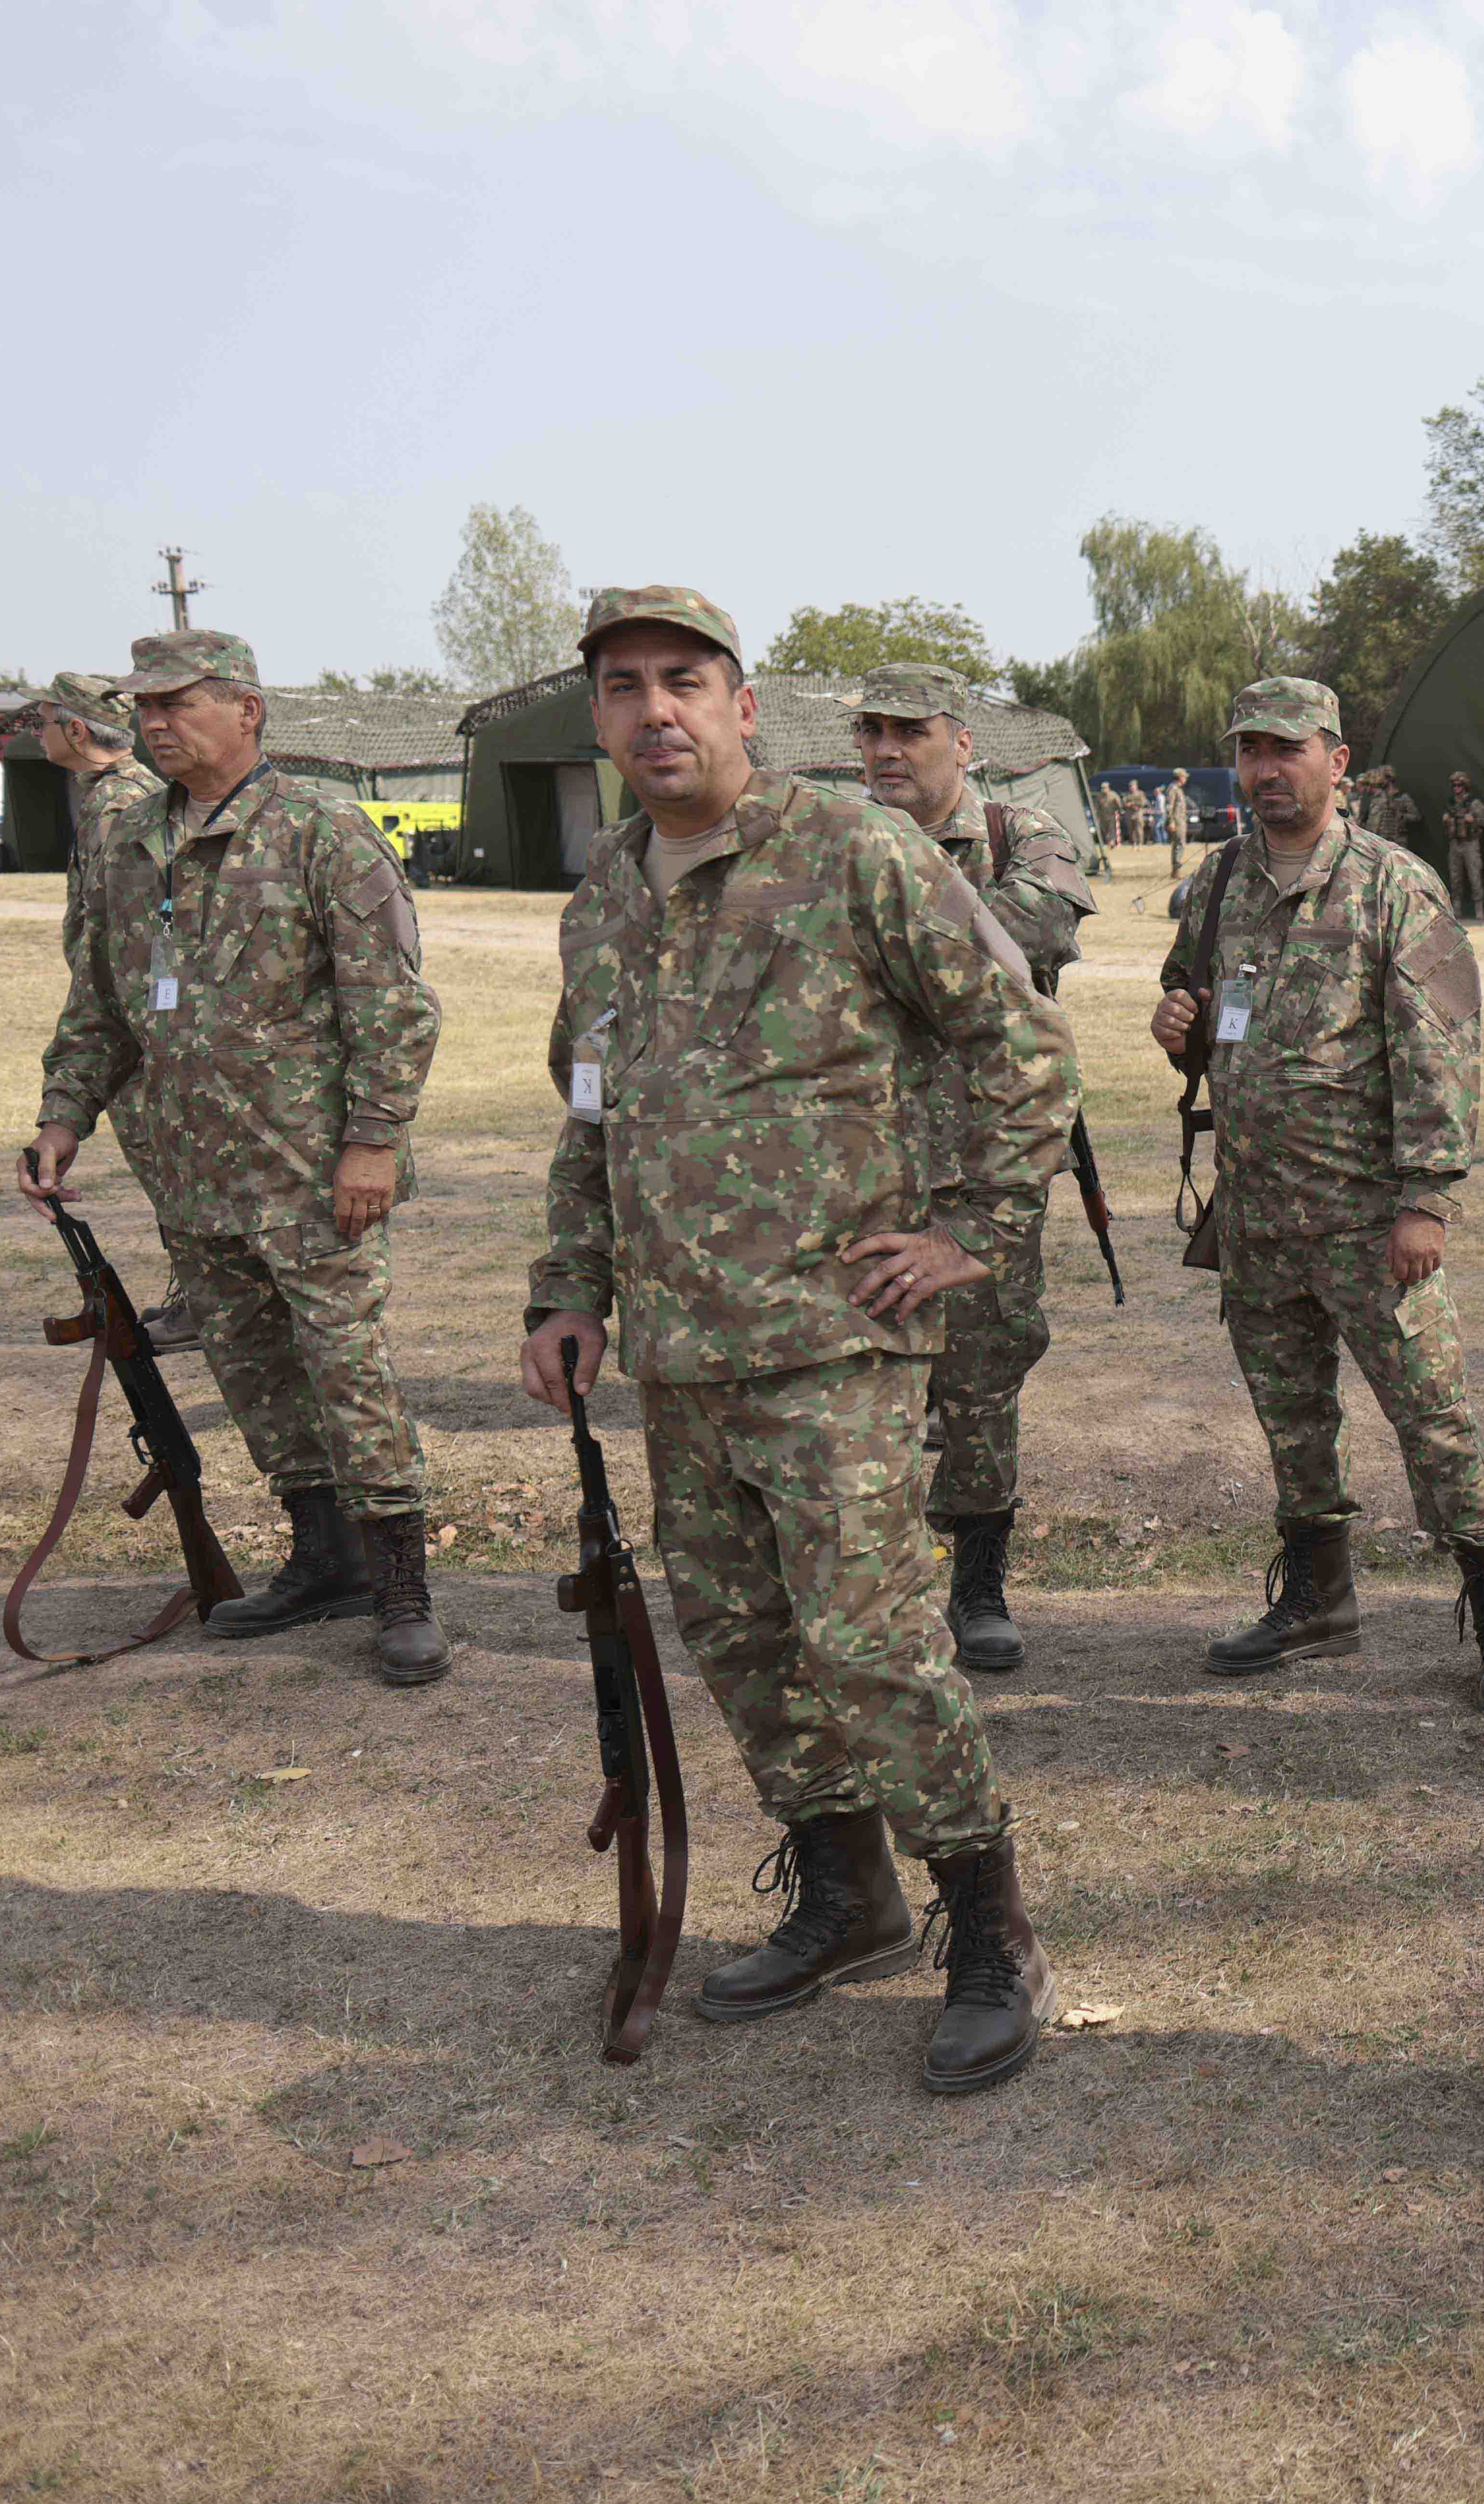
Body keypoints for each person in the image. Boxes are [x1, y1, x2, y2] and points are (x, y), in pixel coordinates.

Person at [521, 586, 1074, 2096]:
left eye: (684, 681)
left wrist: (969, 1223)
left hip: (837, 1343)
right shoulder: (607, 893)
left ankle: (988, 1926)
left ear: (742, 703)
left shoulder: (852, 855)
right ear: (599, 717)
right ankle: (847, 1893)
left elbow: (1018, 1040)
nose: (656, 712)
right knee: (743, 1641)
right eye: (625, 687)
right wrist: (566, 1290)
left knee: (876, 1646)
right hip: (680, 1356)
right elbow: (590, 1114)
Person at [23, 628, 449, 1686]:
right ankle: (323, 1555)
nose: (154, 724)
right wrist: (63, 1113)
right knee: (252, 1370)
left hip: (310, 1173)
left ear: (247, 711)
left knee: (346, 1367)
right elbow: (104, 1004)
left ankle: (401, 1582)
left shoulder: (321, 828)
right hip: (190, 1174)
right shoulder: (131, 842)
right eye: (146, 708)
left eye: (178, 705)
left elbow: (392, 1006)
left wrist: (372, 1141)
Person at [1146, 679, 1484, 1712]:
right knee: (1293, 1419)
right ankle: (1319, 1602)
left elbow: (1440, 1048)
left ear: (1336, 758)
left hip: (1369, 1220)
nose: (1267, 769)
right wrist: (1176, 1027)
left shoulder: (1391, 885)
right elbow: (1190, 1004)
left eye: (1287, 749)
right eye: (1251, 750)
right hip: (1259, 1216)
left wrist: (1426, 1200)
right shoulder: (1220, 880)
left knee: (1435, 1417)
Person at [851, 662, 1097, 1672]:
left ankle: (979, 1581)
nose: (886, 750)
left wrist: (895, 893)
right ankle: (875, 1580)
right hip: (860, 1168)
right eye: (872, 731)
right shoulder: (833, 839)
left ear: (963, 743)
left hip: (985, 1168)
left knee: (984, 1377)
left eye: (910, 731)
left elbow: (1026, 932)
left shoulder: (1023, 840)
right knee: (862, 1377)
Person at [35, 670, 202, 1354]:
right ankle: (198, 1295)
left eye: (43, 722)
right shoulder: (118, 797)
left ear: (76, 731)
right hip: (130, 1009)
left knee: (168, 1158)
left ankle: (204, 1299)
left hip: (138, 1016)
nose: (38, 735)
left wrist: (143, 1010)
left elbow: (142, 926)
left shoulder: (119, 808)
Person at [1442, 770, 1484, 920]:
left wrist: (1474, 820)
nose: (1456, 788)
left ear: (1465, 786)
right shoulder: (1451, 804)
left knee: (1475, 876)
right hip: (1455, 844)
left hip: (1471, 844)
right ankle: (1456, 909)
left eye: (1459, 785)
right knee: (1455, 878)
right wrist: (1446, 820)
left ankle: (1479, 909)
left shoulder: (1474, 804)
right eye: (1454, 785)